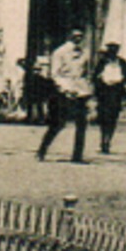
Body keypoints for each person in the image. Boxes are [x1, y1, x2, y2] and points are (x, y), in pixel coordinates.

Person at [37, 29, 91, 163]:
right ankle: (42, 150)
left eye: (80, 36)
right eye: (75, 36)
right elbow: (55, 74)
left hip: (80, 90)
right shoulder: (60, 52)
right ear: (69, 36)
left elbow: (85, 73)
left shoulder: (84, 53)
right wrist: (65, 88)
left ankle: (77, 155)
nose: (78, 39)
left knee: (81, 124)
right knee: (58, 123)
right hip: (63, 91)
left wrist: (86, 89)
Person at [92, 41, 126, 154]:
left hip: (116, 93)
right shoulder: (102, 62)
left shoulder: (121, 62)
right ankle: (103, 138)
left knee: (113, 117)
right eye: (110, 50)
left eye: (114, 50)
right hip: (104, 93)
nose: (112, 52)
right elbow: (95, 77)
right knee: (103, 118)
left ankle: (108, 140)